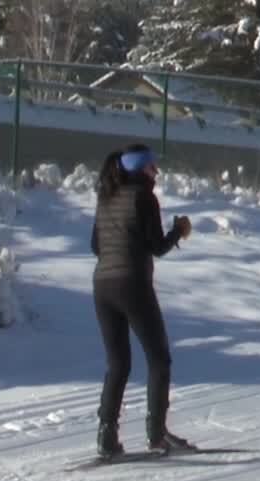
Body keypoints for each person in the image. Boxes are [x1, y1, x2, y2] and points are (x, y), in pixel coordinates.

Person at [91, 143, 193, 460]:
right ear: (139, 169)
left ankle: (107, 435)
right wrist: (178, 230)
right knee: (159, 358)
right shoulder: (143, 197)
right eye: (152, 167)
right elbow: (157, 246)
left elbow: (96, 245)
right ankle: (157, 433)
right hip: (132, 284)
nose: (156, 172)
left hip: (102, 286)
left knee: (118, 363)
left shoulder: (106, 197)